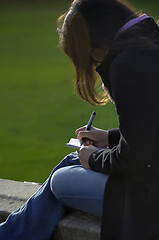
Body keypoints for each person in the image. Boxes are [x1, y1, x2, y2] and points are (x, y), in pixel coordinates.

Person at [1, 0, 159, 239]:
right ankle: (11, 233)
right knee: (71, 160)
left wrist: (94, 158)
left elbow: (133, 161)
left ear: (92, 45)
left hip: (150, 196)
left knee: (60, 181)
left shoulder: (127, 65)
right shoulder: (150, 41)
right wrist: (109, 138)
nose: (94, 65)